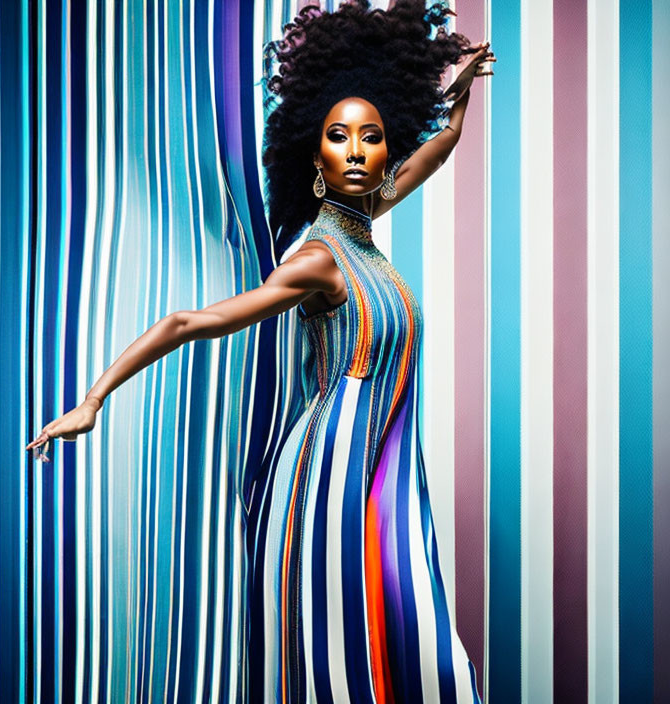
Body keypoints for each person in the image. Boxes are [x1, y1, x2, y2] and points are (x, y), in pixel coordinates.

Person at [26, 1, 494, 701]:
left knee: (413, 650)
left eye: (373, 136)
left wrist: (454, 103)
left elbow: (436, 150)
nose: (360, 151)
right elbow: (189, 322)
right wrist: (92, 401)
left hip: (386, 469)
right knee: (368, 649)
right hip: (334, 477)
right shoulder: (320, 260)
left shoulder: (364, 232)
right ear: (316, 154)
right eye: (340, 137)